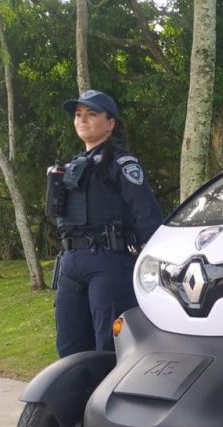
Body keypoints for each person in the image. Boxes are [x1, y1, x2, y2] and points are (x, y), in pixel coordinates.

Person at [50, 89, 164, 357]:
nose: (82, 120)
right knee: (69, 345)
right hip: (70, 263)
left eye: (91, 114)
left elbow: (146, 215)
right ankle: (74, 399)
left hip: (107, 262)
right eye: (78, 115)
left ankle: (108, 398)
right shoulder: (73, 167)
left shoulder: (122, 163)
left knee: (108, 346)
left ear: (110, 123)